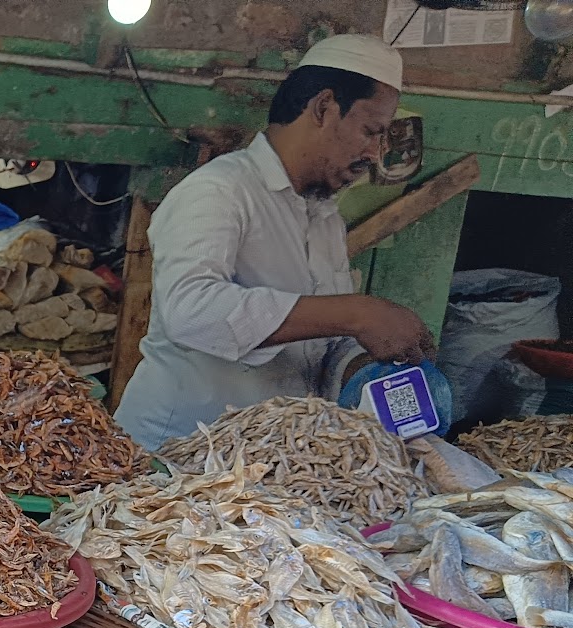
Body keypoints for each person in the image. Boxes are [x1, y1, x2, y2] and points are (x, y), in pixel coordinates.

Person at [114, 34, 436, 449]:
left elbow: (323, 344)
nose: (375, 153)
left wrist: (373, 370)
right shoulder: (219, 190)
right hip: (174, 456)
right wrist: (358, 312)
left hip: (266, 464)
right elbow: (190, 311)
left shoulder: (324, 219)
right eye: (371, 131)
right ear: (323, 108)